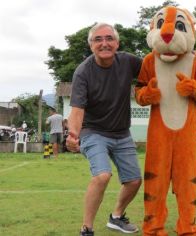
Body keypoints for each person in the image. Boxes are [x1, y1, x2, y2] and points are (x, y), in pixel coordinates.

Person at [65, 23, 142, 236]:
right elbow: (77, 110)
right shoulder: (83, 72)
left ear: (117, 43)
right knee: (102, 176)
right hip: (93, 131)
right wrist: (72, 134)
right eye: (98, 39)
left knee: (134, 180)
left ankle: (116, 217)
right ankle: (87, 228)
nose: (104, 43)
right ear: (91, 45)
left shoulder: (128, 61)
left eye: (109, 38)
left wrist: (188, 57)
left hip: (121, 132)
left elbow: (159, 64)